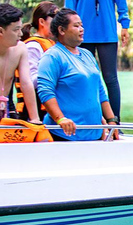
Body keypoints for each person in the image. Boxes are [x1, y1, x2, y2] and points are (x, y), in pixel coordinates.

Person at [37, 8, 119, 141]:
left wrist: (111, 120)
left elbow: (100, 91)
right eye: (76, 26)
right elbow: (45, 91)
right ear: (62, 30)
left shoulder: (87, 55)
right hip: (64, 134)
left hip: (94, 133)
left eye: (81, 25)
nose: (81, 29)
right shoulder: (53, 56)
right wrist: (61, 119)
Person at [0, 3, 39, 125]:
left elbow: (26, 83)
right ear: (0, 31)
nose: (21, 34)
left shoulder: (20, 49)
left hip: (1, 115)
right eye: (16, 30)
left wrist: (35, 119)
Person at [16, 1, 58, 120]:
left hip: (49, 108)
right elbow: (30, 81)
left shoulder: (53, 44)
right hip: (35, 111)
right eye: (54, 18)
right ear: (41, 21)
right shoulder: (33, 46)